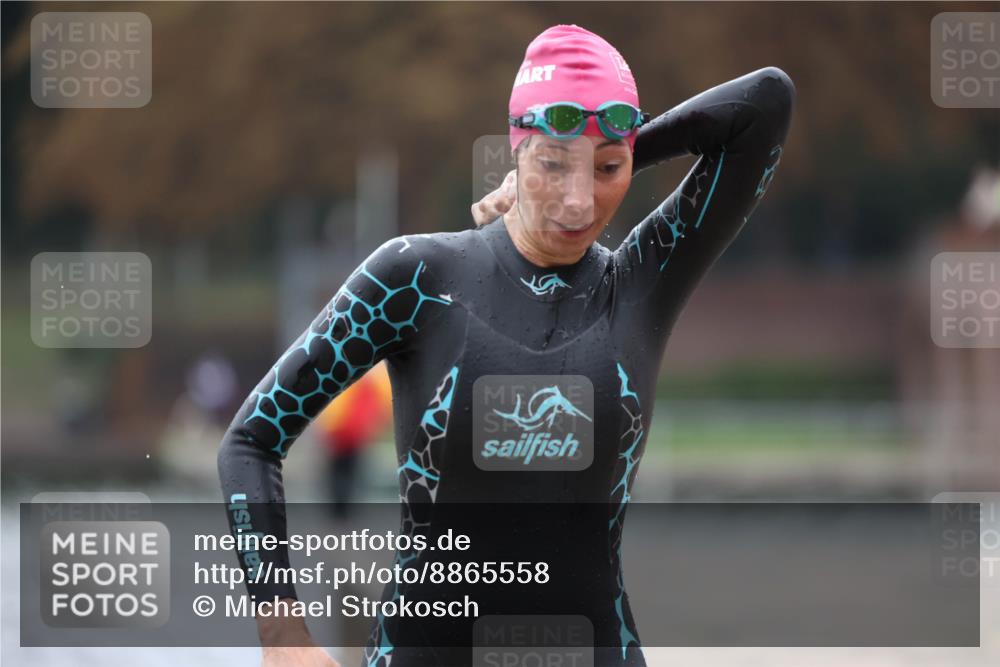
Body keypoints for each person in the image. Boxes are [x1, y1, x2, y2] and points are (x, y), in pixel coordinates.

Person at [217, 23, 795, 667]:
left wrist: (598, 146)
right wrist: (282, 637)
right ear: (515, 150)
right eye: (552, 164)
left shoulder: (640, 283)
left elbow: (766, 104)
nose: (580, 202)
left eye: (609, 169)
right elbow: (251, 441)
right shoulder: (416, 278)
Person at [314, 360, 393, 519]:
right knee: (345, 474)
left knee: (340, 474)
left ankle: (340, 514)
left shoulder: (345, 377)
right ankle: (342, 513)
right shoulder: (368, 381)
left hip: (341, 433)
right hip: (350, 434)